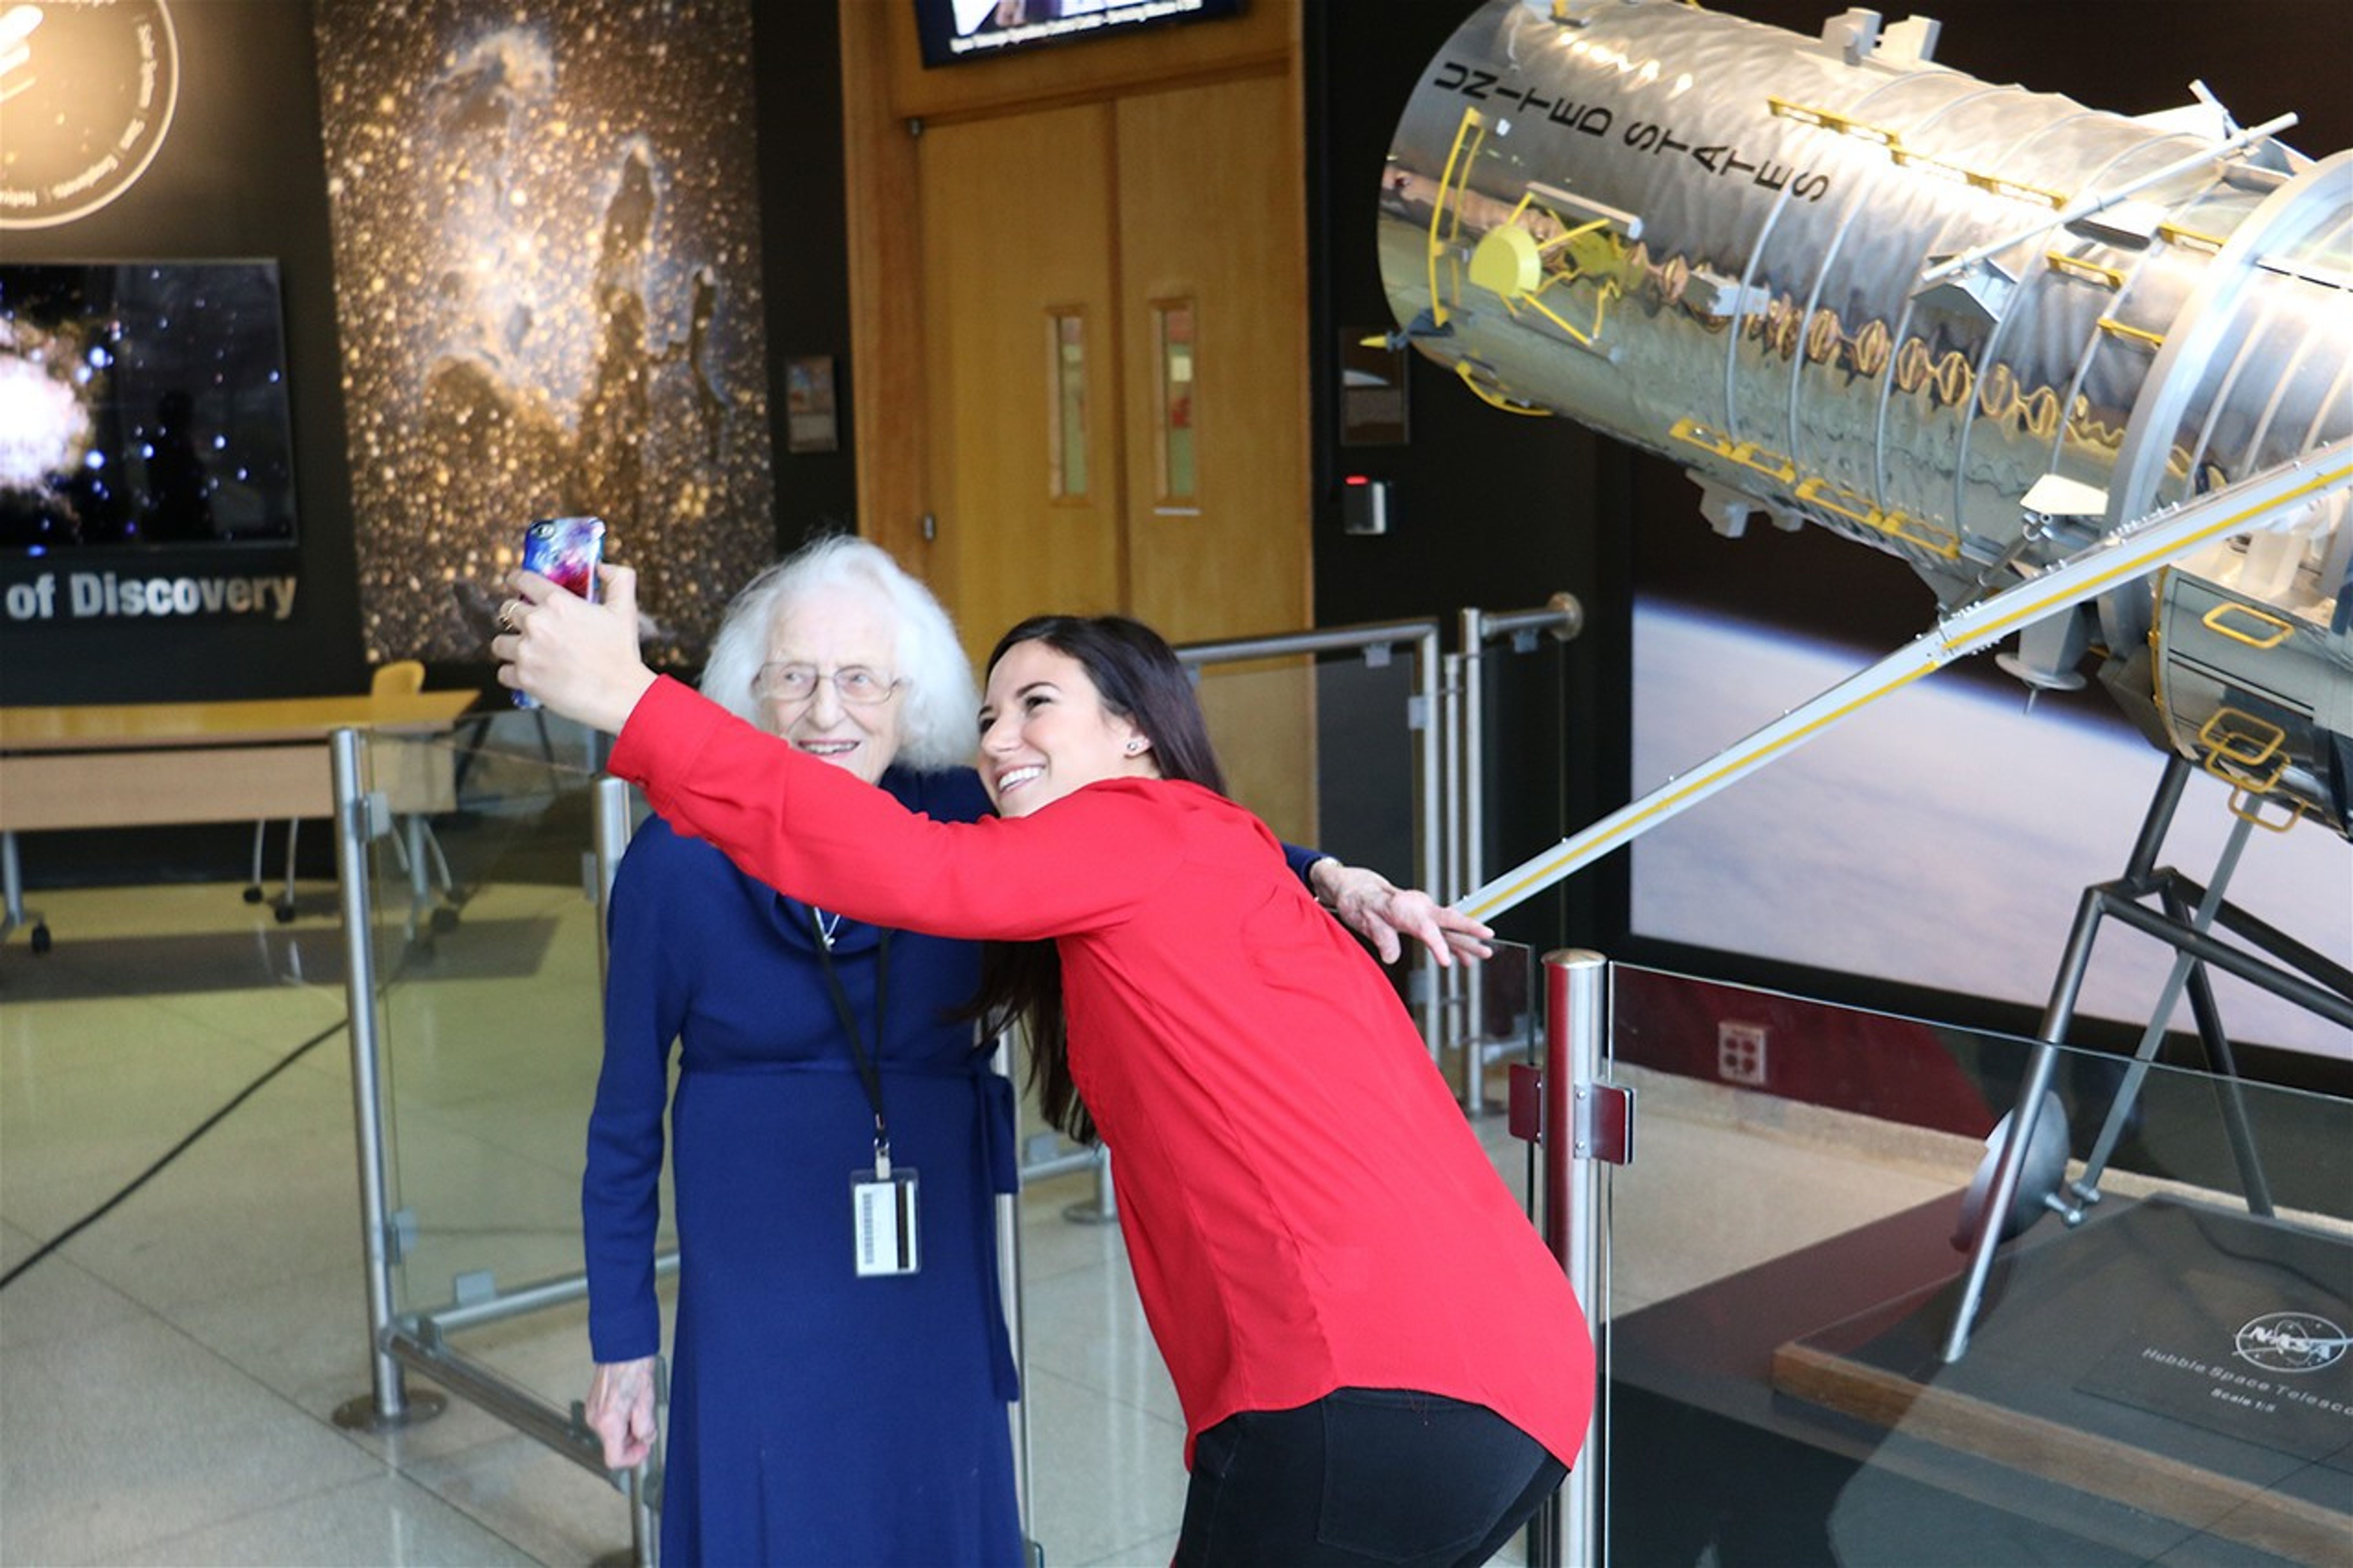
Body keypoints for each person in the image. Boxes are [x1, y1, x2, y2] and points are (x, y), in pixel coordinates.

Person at [572, 537, 1496, 1567]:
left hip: (933, 1244)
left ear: (910, 697)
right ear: (749, 691)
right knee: (768, 1507)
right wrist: (623, 1340)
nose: (826, 711)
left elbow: (1163, 838)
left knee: (935, 1503)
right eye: (793, 677)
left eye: (861, 678)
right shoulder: (676, 857)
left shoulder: (962, 813)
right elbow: (623, 1119)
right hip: (756, 1253)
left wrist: (1326, 872)